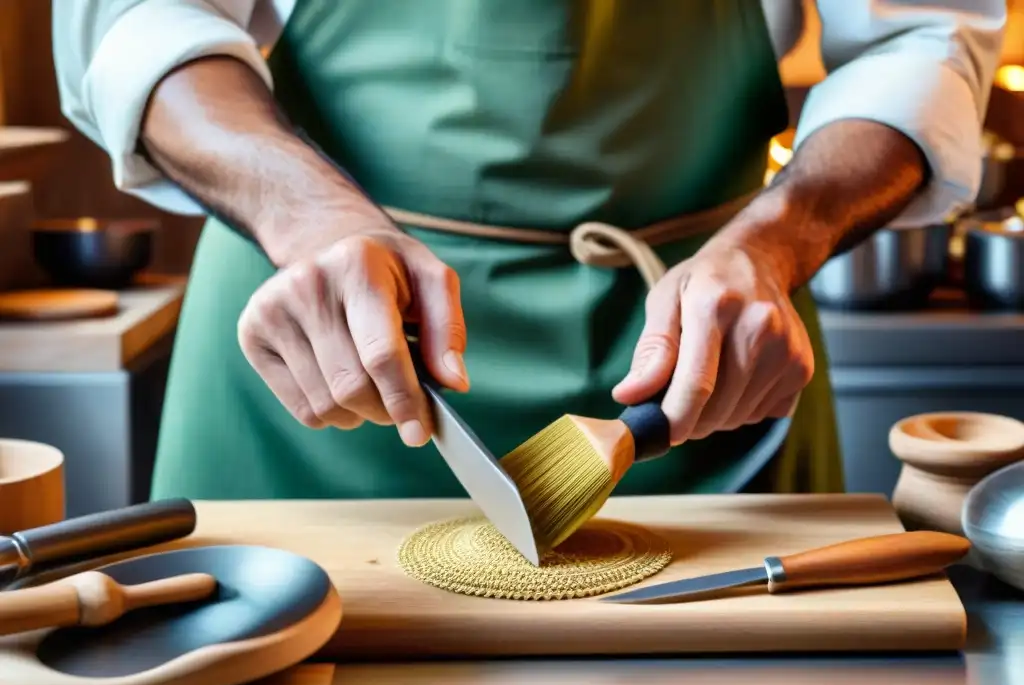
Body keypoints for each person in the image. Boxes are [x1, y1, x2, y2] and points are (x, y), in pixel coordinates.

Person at [52, 1, 1004, 502]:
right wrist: (314, 220)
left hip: (708, 362)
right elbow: (134, 20)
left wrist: (774, 242)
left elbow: (920, 37)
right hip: (315, 351)